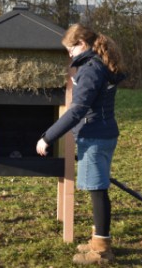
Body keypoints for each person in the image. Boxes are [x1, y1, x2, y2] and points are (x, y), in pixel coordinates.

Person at [36, 23, 126, 265]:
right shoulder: (97, 64)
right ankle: (98, 239)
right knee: (97, 188)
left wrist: (48, 137)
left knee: (97, 190)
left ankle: (101, 251)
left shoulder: (91, 69)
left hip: (95, 135)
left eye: (71, 49)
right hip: (102, 133)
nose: (69, 54)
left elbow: (77, 111)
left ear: (82, 45)